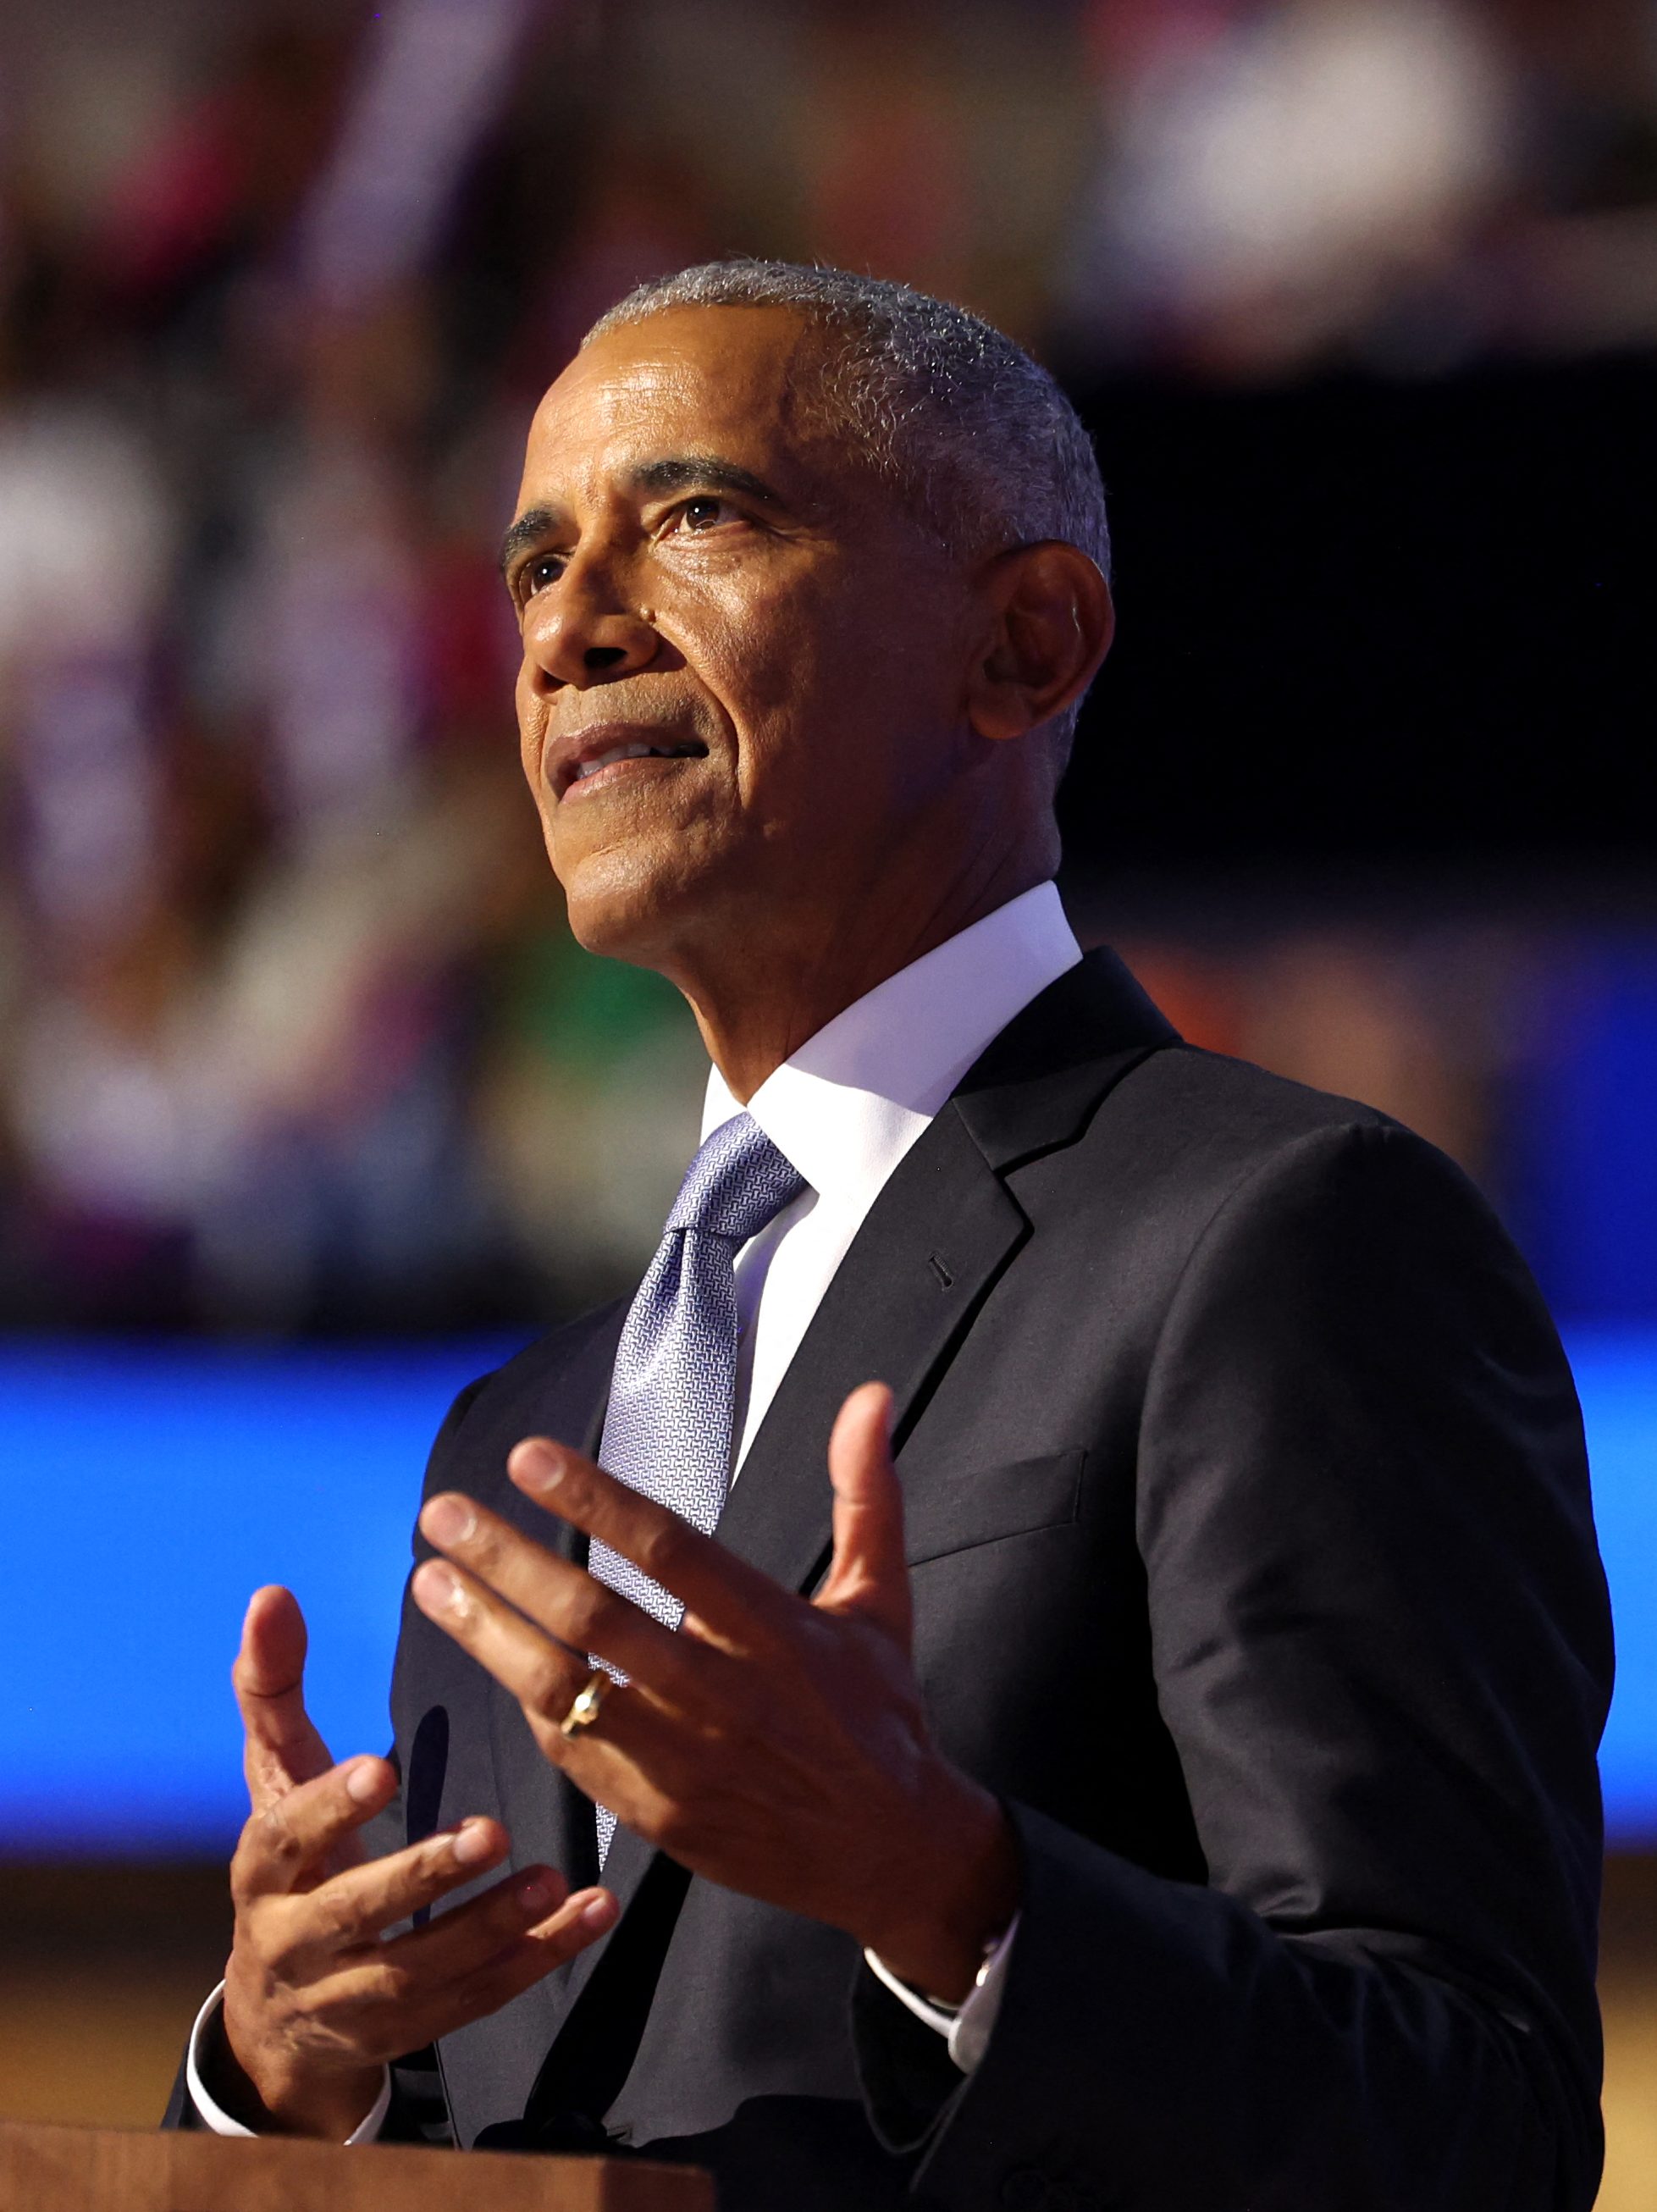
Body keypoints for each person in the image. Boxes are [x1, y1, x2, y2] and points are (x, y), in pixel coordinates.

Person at [167, 262, 1612, 2210]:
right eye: (530, 569)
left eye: (693, 520)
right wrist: (280, 2059)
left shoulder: (1290, 1241)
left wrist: (942, 1886)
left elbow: (1478, 2126)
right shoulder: (524, 1429)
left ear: (1025, 641)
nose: (568, 631)